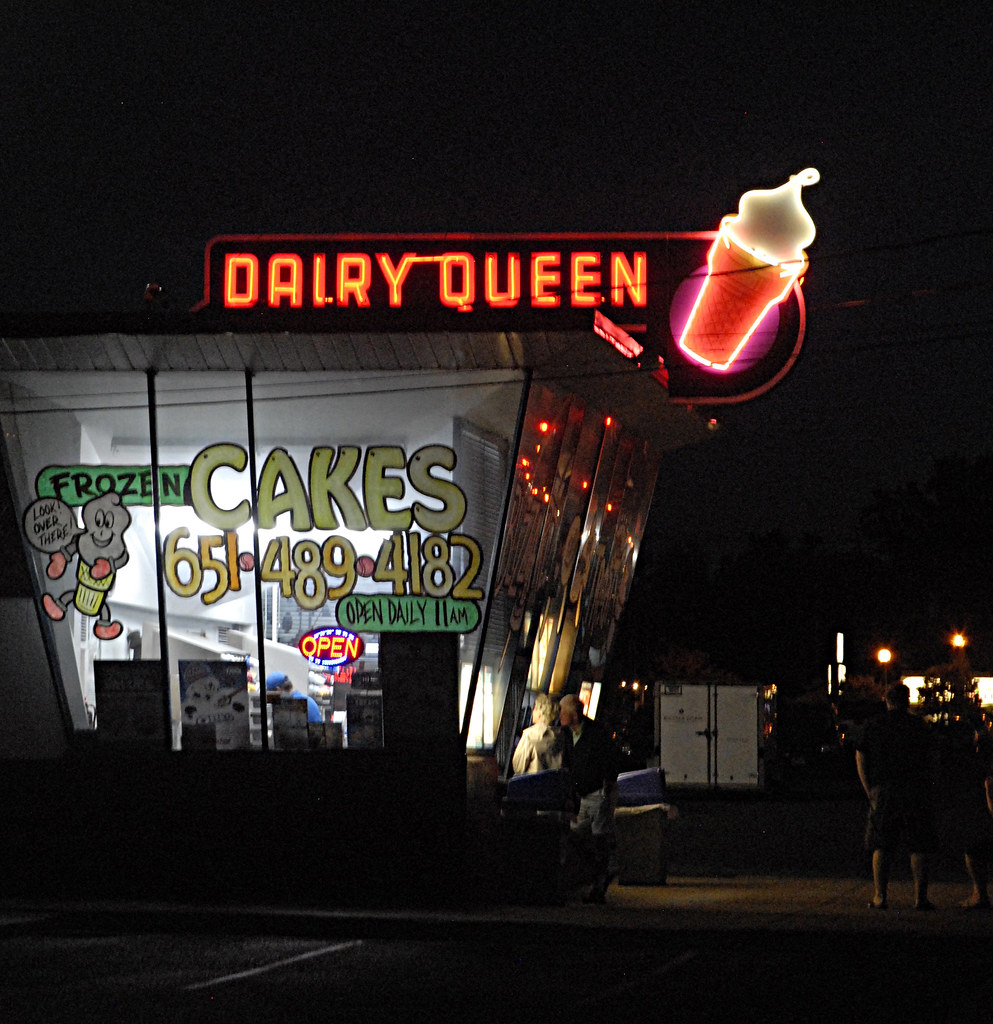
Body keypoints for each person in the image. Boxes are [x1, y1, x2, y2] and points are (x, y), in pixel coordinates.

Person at [855, 682, 938, 911]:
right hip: (915, 789)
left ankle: (880, 896)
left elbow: (861, 756)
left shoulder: (874, 725)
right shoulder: (918, 726)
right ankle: (920, 898)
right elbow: (932, 759)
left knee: (881, 843)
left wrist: (868, 788)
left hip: (884, 789)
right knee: (919, 844)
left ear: (886, 700)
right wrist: (930, 787)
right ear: (907, 700)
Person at [559, 692, 620, 904]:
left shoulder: (595, 733)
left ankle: (599, 880)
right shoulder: (568, 734)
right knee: (579, 837)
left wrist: (607, 783)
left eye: (562, 712)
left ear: (573, 715)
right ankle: (599, 873)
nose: (559, 716)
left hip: (597, 793)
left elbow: (610, 759)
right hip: (581, 795)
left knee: (597, 837)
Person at [941, 714, 993, 910]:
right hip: (977, 810)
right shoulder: (974, 758)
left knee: (974, 850)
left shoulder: (966, 760)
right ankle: (979, 893)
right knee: (975, 849)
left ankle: (979, 894)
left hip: (977, 812)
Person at [511, 693, 564, 775]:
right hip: (556, 786)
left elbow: (518, 767)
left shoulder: (529, 735)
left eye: (534, 708)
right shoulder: (562, 735)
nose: (532, 712)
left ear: (540, 713)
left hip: (533, 785)